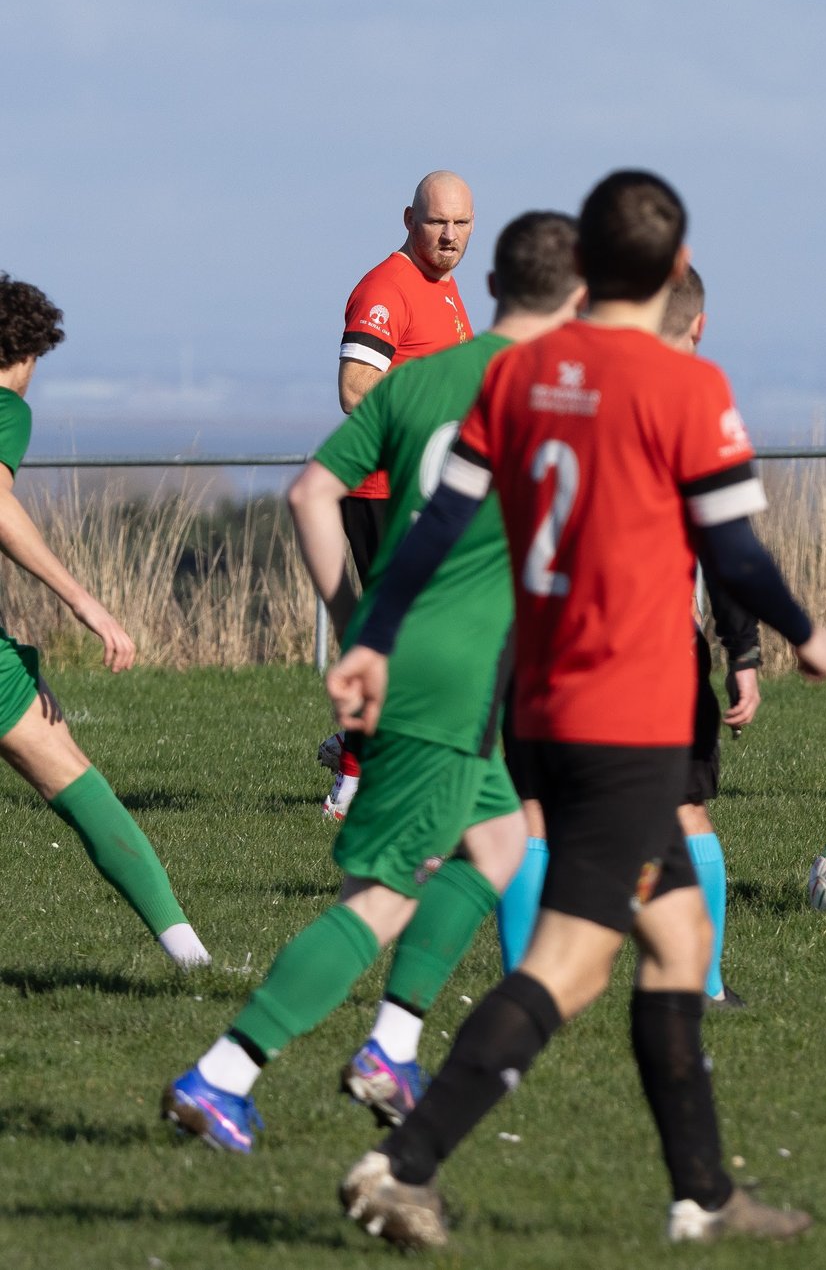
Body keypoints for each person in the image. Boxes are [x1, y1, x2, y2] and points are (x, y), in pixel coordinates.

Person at [325, 171, 826, 1247]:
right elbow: (732, 545)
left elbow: (429, 526)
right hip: (629, 712)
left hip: (536, 700)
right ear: (675, 261)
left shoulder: (518, 374)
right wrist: (802, 627)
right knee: (573, 959)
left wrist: (371, 635)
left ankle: (703, 1190)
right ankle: (399, 1162)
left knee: (676, 933)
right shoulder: (683, 383)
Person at [165, 212, 582, 1154]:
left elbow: (311, 492)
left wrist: (354, 624)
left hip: (409, 649)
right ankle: (223, 1073)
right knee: (381, 898)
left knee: (502, 842)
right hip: (450, 672)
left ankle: (393, 1045)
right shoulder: (552, 400)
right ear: (577, 296)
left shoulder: (420, 380)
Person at [491, 266, 761, 1009]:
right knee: (680, 810)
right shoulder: (688, 404)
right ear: (698, 326)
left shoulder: (556, 389)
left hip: (544, 641)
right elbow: (728, 550)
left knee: (535, 809)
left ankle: (527, 983)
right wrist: (747, 652)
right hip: (653, 649)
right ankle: (700, 984)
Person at [0, 274, 210, 969]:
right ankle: (191, 958)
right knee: (78, 782)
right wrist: (82, 601)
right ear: (26, 355)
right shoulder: (5, 404)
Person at [324, 172, 477, 822]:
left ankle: (363, 747)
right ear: (409, 217)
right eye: (437, 221)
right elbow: (356, 388)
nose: (449, 235)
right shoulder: (386, 287)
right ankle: (356, 776)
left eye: (461, 224)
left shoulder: (442, 288)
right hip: (384, 489)